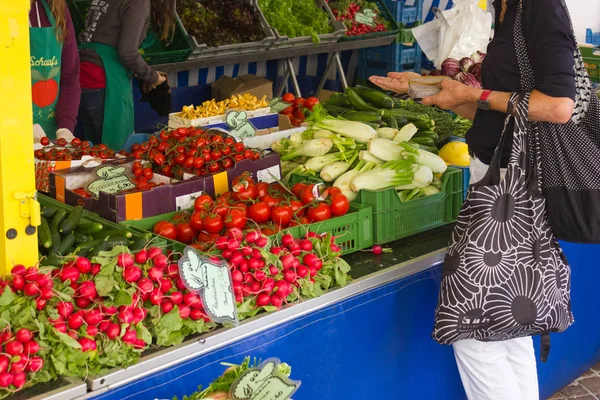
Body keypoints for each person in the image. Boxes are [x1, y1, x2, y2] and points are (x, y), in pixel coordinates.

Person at [370, 0, 576, 399]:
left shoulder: (539, 6)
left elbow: (557, 107)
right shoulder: (507, 7)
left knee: (474, 325)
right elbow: (495, 110)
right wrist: (423, 87)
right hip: (496, 177)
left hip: (514, 188)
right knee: (509, 324)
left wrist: (476, 92)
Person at [77, 0, 171, 150]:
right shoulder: (138, 3)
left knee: (95, 152)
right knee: (114, 153)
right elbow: (127, 53)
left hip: (84, 75)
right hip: (105, 79)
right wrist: (153, 77)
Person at [30, 0, 80, 143]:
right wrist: (17, 122)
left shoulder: (58, 9)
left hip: (50, 137)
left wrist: (65, 127)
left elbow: (70, 76)